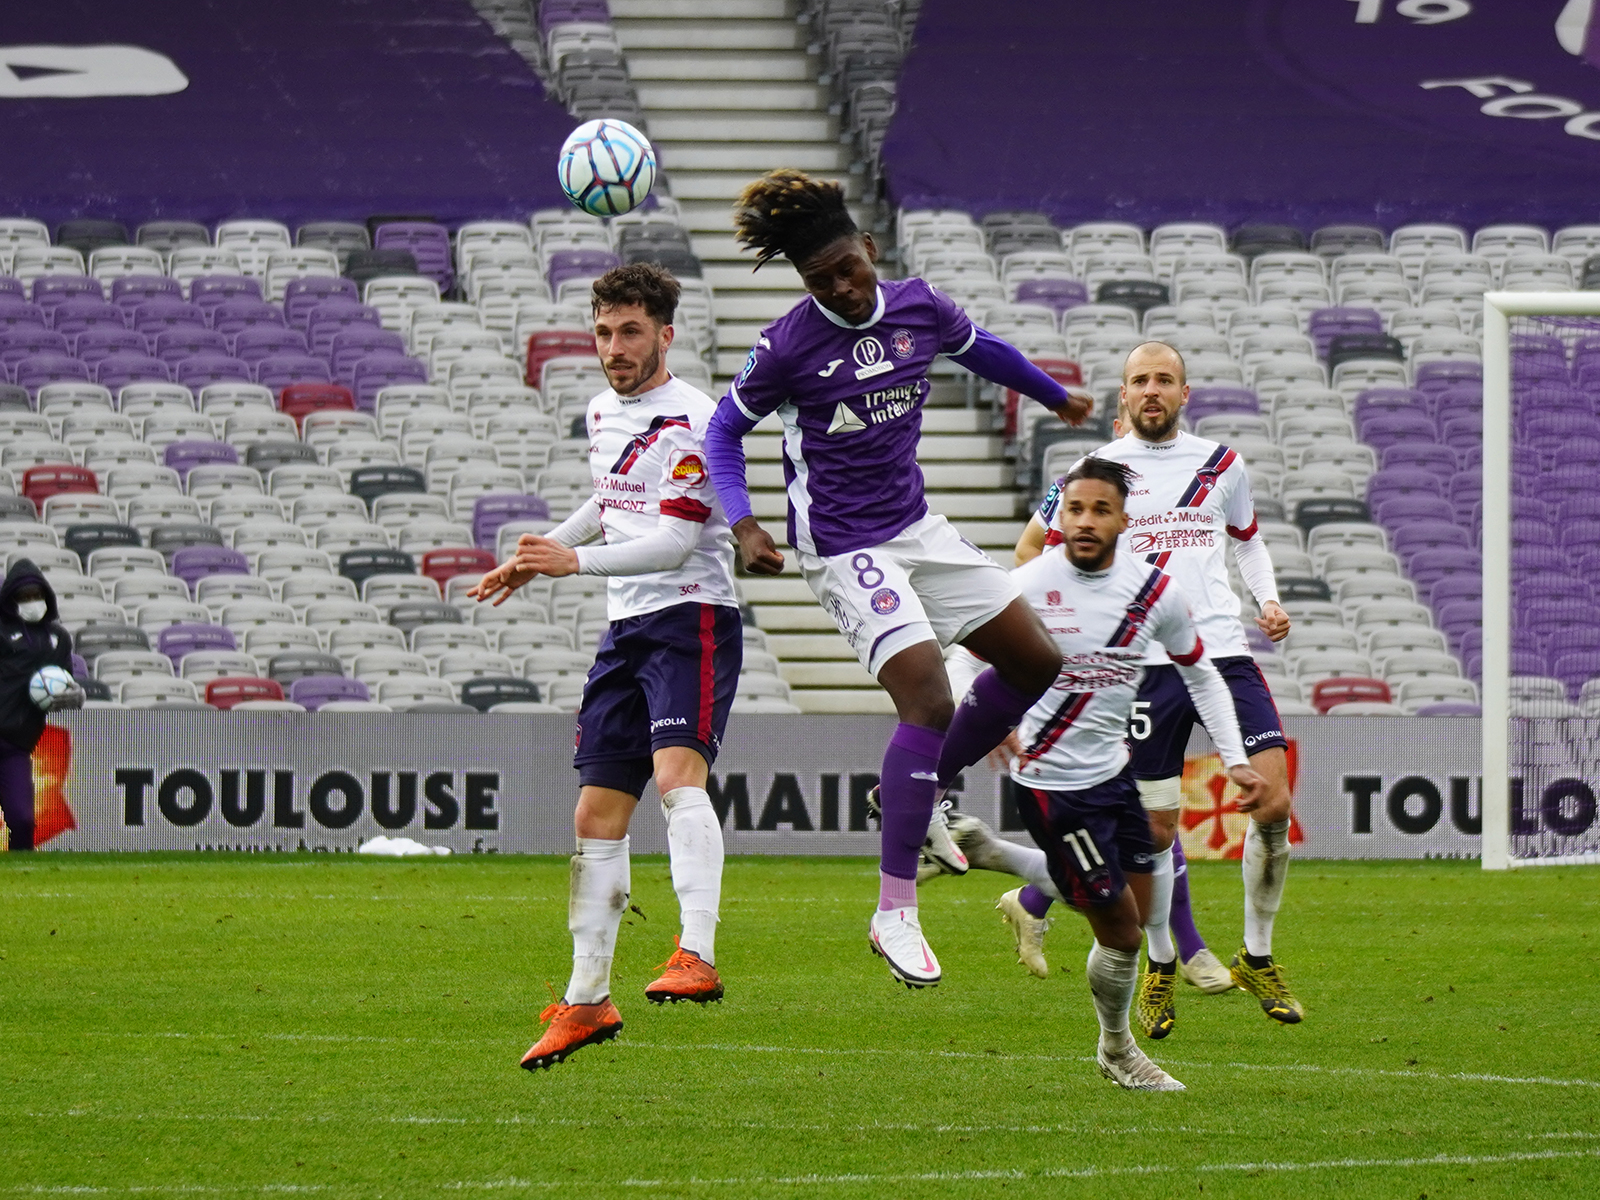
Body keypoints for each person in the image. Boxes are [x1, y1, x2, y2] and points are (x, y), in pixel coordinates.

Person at [702, 169, 1091, 989]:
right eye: (821, 279)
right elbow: (722, 434)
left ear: (869, 249)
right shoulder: (785, 345)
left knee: (1037, 662)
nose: (841, 288)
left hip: (918, 525)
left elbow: (980, 348)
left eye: (848, 267)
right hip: (843, 545)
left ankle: (917, 790)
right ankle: (895, 911)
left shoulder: (919, 306)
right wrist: (743, 524)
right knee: (928, 698)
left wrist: (1053, 396)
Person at [470, 264, 742, 1071]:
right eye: (602, 332)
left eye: (630, 332)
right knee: (595, 816)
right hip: (627, 625)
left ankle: (696, 952)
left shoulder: (695, 418)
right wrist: (542, 551)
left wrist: (573, 564)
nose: (614, 348)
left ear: (665, 333)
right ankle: (587, 998)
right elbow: (612, 499)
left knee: (675, 778)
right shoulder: (600, 410)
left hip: (690, 616)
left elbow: (677, 541)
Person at [1006, 456, 1263, 1090]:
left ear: (1126, 520)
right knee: (1121, 927)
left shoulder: (1156, 593)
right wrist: (989, 718)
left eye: (1100, 510)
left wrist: (1233, 758)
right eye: (1075, 510)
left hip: (1112, 776)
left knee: (1141, 901)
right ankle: (1118, 1051)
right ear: (1059, 517)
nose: (1086, 521)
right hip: (1049, 781)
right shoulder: (1027, 585)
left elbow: (1202, 673)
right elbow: (967, 650)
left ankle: (1002, 866)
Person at [0, 559, 82, 851]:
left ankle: (21, 879)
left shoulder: (57, 639)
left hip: (16, 747)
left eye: (36, 595)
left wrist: (77, 696)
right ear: (10, 599)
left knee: (22, 820)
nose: (31, 602)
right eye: (23, 597)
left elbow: (65, 683)